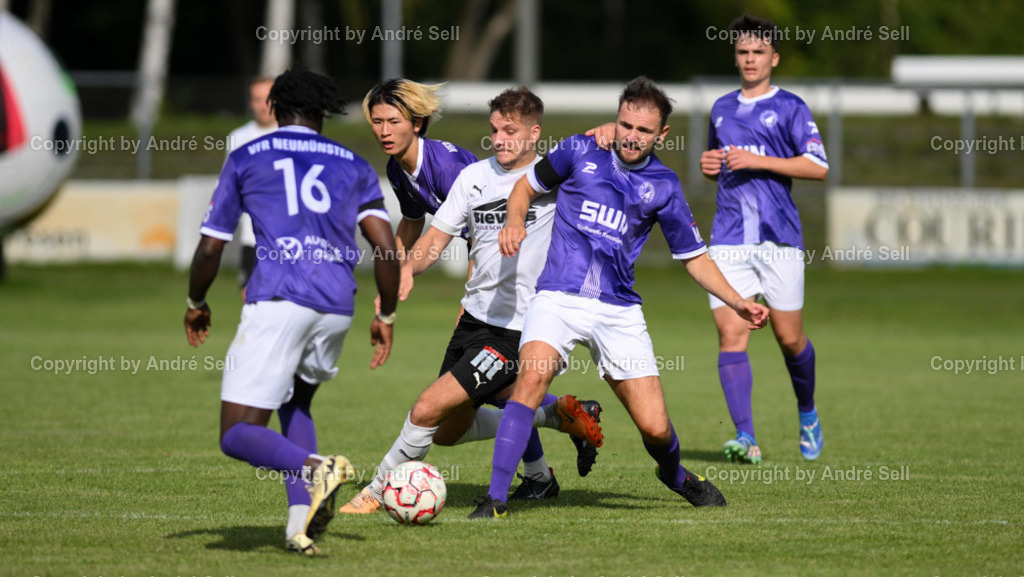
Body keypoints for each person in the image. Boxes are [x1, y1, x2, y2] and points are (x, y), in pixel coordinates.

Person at [472, 76, 770, 519]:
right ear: (615, 119)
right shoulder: (579, 149)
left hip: (618, 310)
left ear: (661, 134)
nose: (632, 136)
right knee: (530, 381)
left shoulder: (664, 185)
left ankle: (675, 475)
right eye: (625, 125)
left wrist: (737, 301)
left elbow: (694, 257)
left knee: (655, 428)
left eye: (644, 130)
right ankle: (495, 499)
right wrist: (514, 221)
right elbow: (524, 187)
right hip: (557, 296)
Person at [339, 86, 604, 515]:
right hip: (475, 322)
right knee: (446, 431)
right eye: (494, 130)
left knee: (425, 408)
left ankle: (375, 491)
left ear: (534, 133)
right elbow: (433, 239)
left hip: (520, 328)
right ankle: (556, 417)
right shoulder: (473, 177)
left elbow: (612, 154)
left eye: (510, 131)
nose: (499, 139)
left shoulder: (555, 182)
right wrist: (404, 271)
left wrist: (609, 130)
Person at [184, 68, 400, 555]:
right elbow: (386, 250)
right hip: (336, 304)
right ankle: (298, 527)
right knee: (296, 404)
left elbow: (211, 247)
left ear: (274, 109)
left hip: (280, 299)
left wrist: (196, 302)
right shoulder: (353, 164)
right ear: (322, 112)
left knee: (236, 433)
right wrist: (386, 314)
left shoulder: (247, 156)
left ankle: (319, 468)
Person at [700, 13, 829, 464]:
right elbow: (719, 163)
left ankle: (807, 412)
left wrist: (760, 161)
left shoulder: (791, 106)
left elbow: (818, 166)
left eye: (759, 52)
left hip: (779, 238)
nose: (750, 59)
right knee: (731, 333)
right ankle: (745, 437)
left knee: (789, 338)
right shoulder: (720, 108)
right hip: (728, 238)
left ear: (774, 58)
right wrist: (710, 167)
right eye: (743, 52)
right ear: (735, 56)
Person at [362, 79, 479, 259]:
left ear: (417, 123)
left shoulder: (446, 168)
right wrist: (393, 271)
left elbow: (480, 238)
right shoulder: (395, 168)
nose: (384, 131)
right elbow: (412, 221)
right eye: (377, 122)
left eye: (394, 122)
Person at [225, 76, 278, 294]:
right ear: (250, 103)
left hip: (292, 237)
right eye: (258, 99)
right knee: (250, 299)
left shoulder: (294, 134)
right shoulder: (239, 138)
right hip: (253, 237)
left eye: (269, 98)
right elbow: (229, 186)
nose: (264, 105)